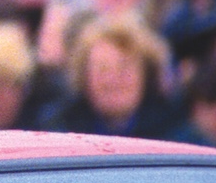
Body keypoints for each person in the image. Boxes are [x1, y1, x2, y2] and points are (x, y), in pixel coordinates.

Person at [46, 13, 202, 144]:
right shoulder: (58, 133)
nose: (113, 79)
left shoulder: (178, 135)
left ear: (146, 74)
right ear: (84, 78)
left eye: (124, 68)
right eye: (102, 69)